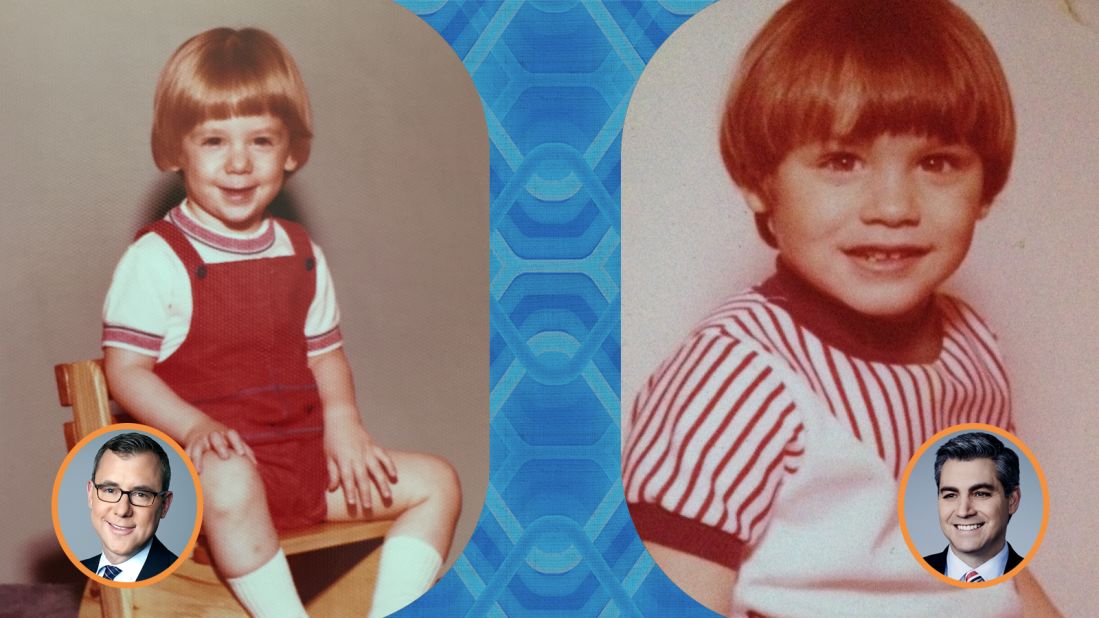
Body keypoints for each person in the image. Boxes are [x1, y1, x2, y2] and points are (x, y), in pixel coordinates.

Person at [621, 0, 1059, 615]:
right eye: (841, 161)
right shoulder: (733, 376)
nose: (892, 207)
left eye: (937, 163)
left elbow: (987, 562)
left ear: (986, 185)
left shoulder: (972, 346)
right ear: (758, 180)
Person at [101, 28, 461, 617]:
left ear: (292, 151)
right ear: (173, 150)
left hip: (300, 466)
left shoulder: (300, 252)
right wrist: (193, 428)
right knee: (229, 475)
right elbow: (127, 370)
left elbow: (324, 354)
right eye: (214, 140)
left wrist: (345, 424)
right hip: (200, 484)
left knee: (437, 482)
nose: (239, 163)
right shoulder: (157, 259)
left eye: (261, 140)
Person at [922, 432, 1024, 582]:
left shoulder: (1043, 583)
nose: (963, 511)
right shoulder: (908, 579)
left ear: (1012, 501)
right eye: (950, 495)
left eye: (980, 494)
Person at [81, 432, 178, 583]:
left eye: (140, 494)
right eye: (110, 490)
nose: (122, 510)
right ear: (90, 495)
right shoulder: (73, 575)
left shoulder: (184, 582)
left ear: (165, 505)